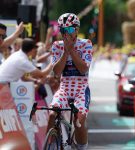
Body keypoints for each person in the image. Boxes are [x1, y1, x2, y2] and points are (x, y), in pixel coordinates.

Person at [47, 13, 93, 150]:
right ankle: (50, 145)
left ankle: (81, 147)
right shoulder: (56, 45)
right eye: (63, 30)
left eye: (70, 30)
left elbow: (83, 69)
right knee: (51, 114)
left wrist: (71, 50)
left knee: (79, 120)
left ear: (77, 29)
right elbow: (56, 72)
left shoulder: (86, 44)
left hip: (81, 89)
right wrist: (65, 52)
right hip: (65, 88)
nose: (66, 34)